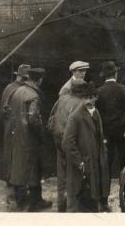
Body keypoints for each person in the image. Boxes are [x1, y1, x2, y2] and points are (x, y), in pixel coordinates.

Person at [8, 67, 52, 212]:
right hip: (30, 138)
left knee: (19, 166)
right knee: (35, 169)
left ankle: (20, 200)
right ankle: (35, 202)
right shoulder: (33, 95)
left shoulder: (17, 91)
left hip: (17, 136)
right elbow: (33, 118)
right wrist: (41, 134)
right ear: (39, 79)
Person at [62, 82, 110, 213]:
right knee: (82, 198)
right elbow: (67, 142)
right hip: (84, 163)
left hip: (97, 160)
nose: (88, 100)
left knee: (94, 194)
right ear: (82, 98)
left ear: (96, 98)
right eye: (85, 98)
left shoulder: (96, 113)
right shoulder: (76, 117)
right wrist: (79, 161)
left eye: (91, 97)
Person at [47, 79, 87, 212]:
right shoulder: (80, 104)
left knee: (62, 174)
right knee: (74, 176)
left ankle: (61, 204)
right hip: (71, 142)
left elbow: (52, 117)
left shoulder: (62, 99)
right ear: (82, 91)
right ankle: (72, 208)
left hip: (58, 139)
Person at [95, 61, 125, 181]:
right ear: (116, 73)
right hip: (123, 132)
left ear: (104, 75)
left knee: (106, 163)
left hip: (106, 132)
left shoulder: (98, 92)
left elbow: (97, 114)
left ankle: (104, 196)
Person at [0, 64, 30, 185]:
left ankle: (9, 178)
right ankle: (14, 180)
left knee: (9, 151)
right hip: (15, 125)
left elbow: (3, 108)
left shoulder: (9, 87)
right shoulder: (20, 90)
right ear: (23, 78)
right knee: (17, 153)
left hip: (8, 125)